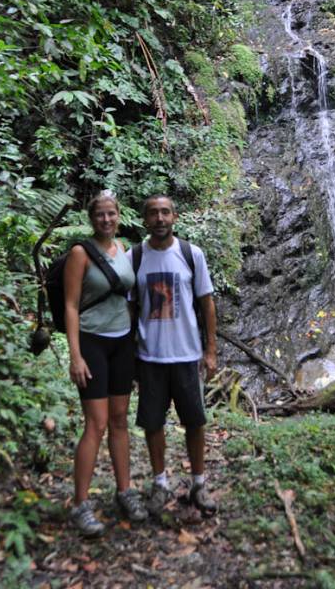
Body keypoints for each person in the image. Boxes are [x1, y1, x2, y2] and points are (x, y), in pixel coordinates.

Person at [64, 190, 147, 537]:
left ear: (119, 216)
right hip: (92, 342)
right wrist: (75, 355)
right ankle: (80, 504)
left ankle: (125, 491)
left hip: (122, 342)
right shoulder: (80, 254)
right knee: (96, 424)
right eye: (100, 214)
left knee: (119, 420)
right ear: (91, 218)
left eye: (111, 214)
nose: (106, 219)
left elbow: (128, 297)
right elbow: (71, 306)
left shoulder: (123, 249)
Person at [130, 194, 218, 517]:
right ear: (145, 219)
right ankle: (160, 483)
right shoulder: (135, 257)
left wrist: (210, 350)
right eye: (153, 213)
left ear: (175, 217)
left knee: (194, 421)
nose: (160, 218)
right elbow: (129, 308)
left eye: (165, 212)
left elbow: (207, 303)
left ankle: (198, 484)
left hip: (186, 354)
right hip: (150, 357)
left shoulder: (191, 254)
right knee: (153, 423)